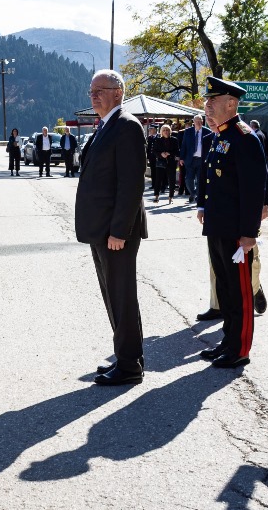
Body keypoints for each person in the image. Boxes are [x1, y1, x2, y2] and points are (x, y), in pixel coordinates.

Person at [75, 70, 148, 386]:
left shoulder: (127, 126)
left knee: (122, 296)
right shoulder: (106, 126)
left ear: (118, 92)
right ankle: (128, 357)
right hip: (101, 230)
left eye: (100, 90)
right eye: (91, 91)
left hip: (116, 233)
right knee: (114, 296)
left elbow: (131, 185)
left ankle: (129, 366)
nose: (93, 96)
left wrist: (119, 230)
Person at [195, 76, 268, 369]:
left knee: (239, 293)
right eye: (207, 100)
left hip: (237, 231)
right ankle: (228, 341)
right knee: (225, 288)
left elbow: (253, 190)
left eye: (213, 100)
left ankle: (240, 349)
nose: (207, 105)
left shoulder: (244, 137)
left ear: (231, 103)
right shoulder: (220, 136)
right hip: (218, 225)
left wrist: (249, 234)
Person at [179, 114, 212, 203]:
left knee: (200, 180)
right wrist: (181, 158)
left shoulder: (207, 132)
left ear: (202, 121)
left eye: (200, 121)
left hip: (202, 160)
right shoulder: (188, 131)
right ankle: (193, 193)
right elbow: (184, 145)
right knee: (188, 179)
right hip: (190, 159)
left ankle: (198, 195)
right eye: (196, 121)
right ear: (193, 122)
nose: (198, 122)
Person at [151, 125, 178, 203]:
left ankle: (171, 196)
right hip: (161, 162)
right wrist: (161, 154)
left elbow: (177, 151)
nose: (166, 132)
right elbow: (154, 151)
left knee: (172, 180)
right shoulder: (157, 140)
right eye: (164, 130)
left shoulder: (174, 140)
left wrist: (169, 153)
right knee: (158, 179)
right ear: (161, 132)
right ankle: (156, 196)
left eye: (167, 130)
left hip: (171, 162)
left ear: (170, 131)